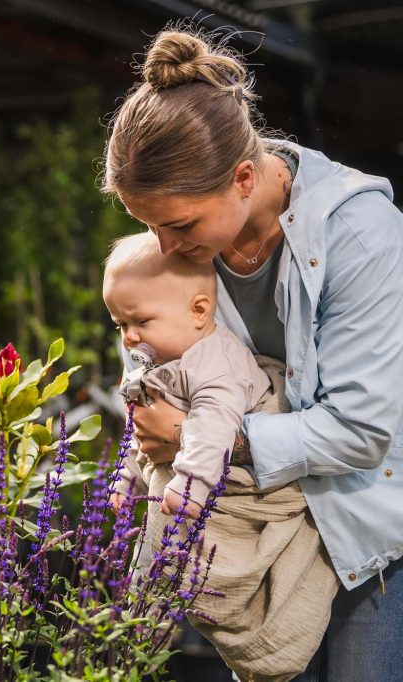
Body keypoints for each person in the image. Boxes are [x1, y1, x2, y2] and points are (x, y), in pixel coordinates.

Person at [102, 27, 403, 681]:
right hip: (259, 541)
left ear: (244, 178)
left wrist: (200, 439)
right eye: (146, 225)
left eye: (178, 225)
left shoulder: (360, 234)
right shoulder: (182, 245)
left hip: (371, 535)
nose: (163, 247)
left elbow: (363, 429)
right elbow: (152, 361)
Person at [104, 232, 339, 681]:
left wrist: (191, 481)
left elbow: (214, 426)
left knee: (174, 566)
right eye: (120, 325)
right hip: (190, 479)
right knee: (153, 568)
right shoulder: (159, 365)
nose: (130, 337)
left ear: (198, 311)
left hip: (243, 491)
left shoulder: (215, 361)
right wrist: (127, 477)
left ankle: (152, 625)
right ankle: (137, 629)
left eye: (140, 321)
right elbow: (144, 436)